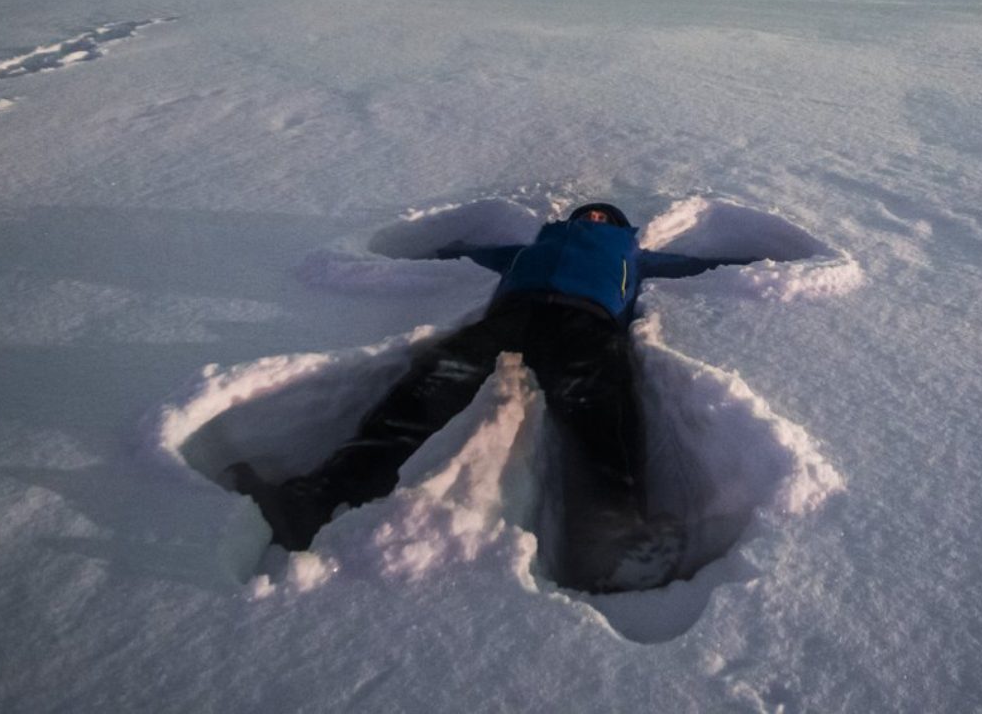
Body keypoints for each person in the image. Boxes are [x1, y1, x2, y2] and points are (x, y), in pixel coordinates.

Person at [227, 201, 739, 590]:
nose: (598, 217)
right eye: (591, 212)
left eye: (608, 215)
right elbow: (466, 252)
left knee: (602, 414)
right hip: (510, 317)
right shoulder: (529, 248)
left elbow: (695, 265)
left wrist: (760, 262)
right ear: (572, 219)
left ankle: (610, 544)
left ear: (622, 229)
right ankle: (318, 497)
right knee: (425, 390)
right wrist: (410, 246)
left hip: (586, 323)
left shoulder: (634, 255)